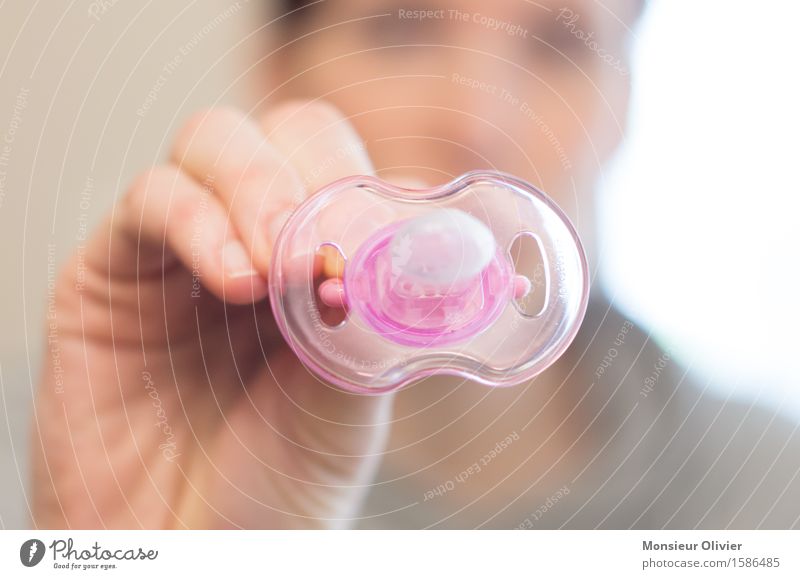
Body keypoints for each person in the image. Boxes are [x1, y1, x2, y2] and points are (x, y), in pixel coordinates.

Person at [32, 0, 800, 529]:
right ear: (278, 69)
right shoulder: (76, 447)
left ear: (624, 103)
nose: (479, 124)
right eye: (403, 30)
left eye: (561, 42)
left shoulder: (775, 489)